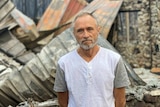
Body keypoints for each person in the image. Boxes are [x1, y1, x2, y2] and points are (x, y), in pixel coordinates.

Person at [54, 12, 130, 107]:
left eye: (90, 29)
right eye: (80, 31)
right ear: (74, 34)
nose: (86, 35)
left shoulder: (114, 59)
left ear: (98, 30)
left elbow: (120, 100)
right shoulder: (64, 63)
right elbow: (62, 101)